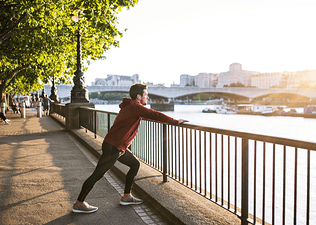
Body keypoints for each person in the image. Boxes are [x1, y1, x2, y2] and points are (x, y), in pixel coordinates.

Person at [72, 83, 189, 213]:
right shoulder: (134, 107)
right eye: (146, 95)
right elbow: (154, 114)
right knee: (97, 174)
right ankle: (79, 203)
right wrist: (175, 121)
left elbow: (150, 115)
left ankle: (127, 196)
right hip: (114, 147)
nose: (148, 97)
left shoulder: (133, 107)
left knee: (134, 164)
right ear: (138, 96)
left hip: (118, 147)